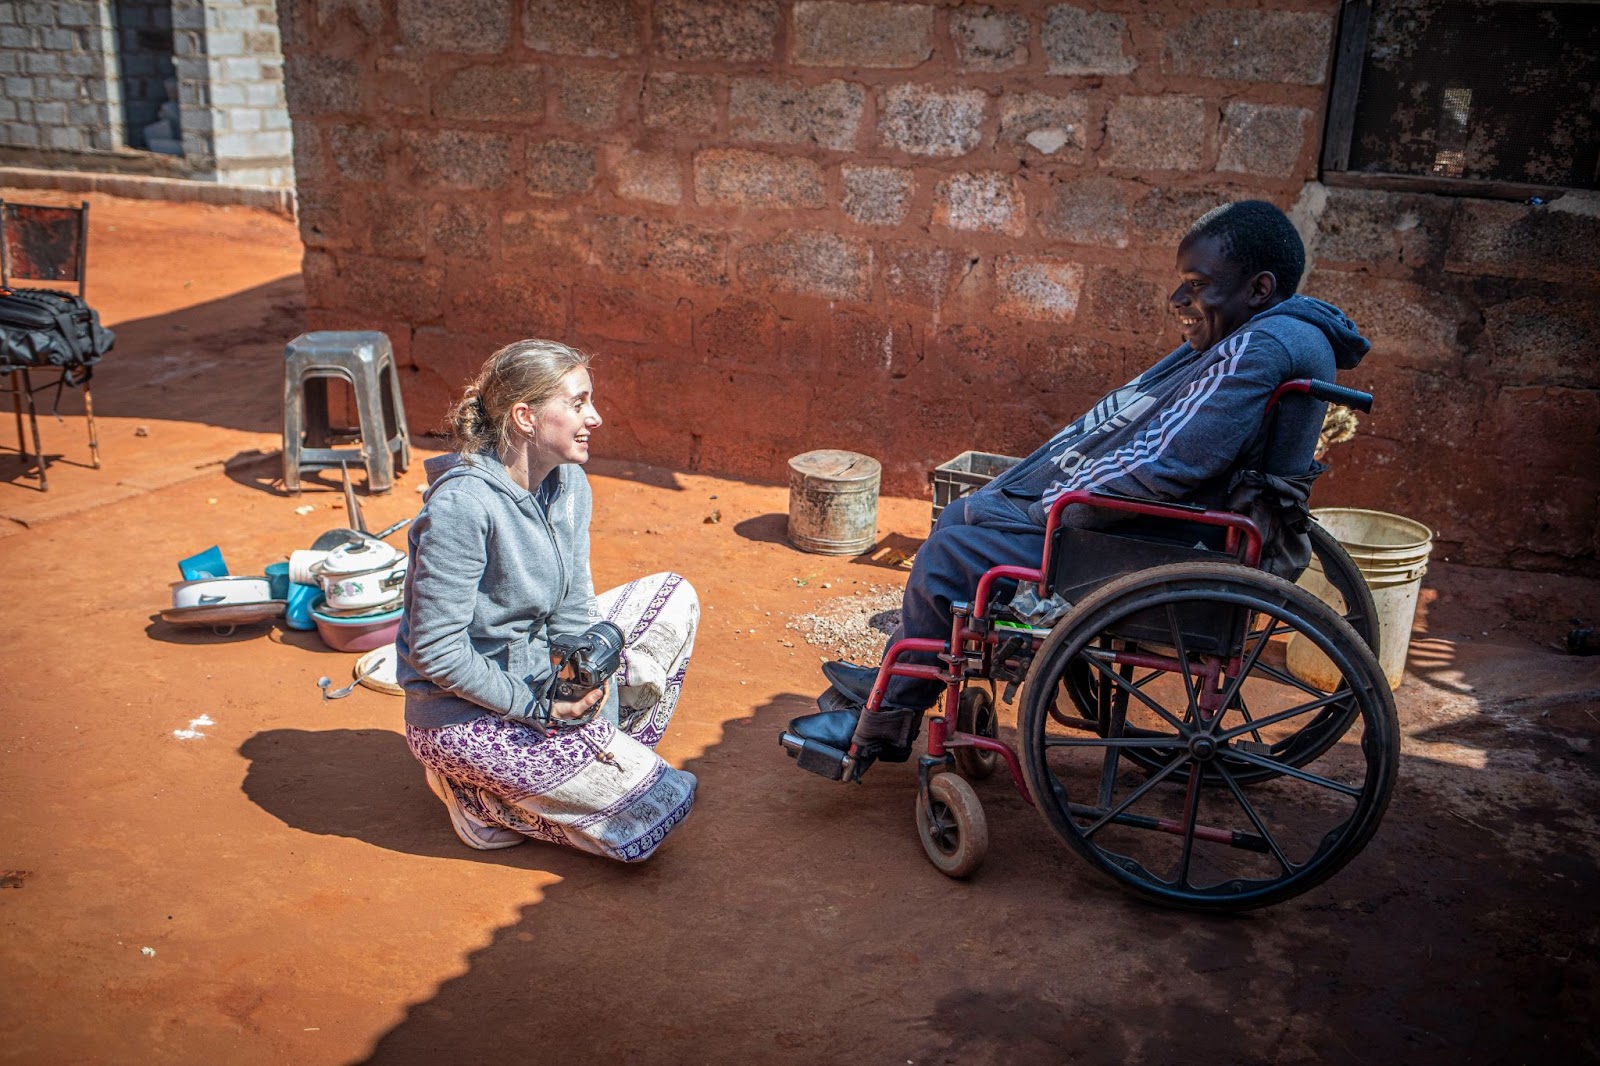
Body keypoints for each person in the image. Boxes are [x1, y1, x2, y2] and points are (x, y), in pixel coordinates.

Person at [786, 200, 1371, 774]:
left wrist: (1060, 507)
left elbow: (1169, 468)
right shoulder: (1288, 334)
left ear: (1259, 287)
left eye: (1196, 284)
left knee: (951, 550)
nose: (1179, 300)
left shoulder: (1262, 346)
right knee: (968, 512)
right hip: (1195, 527)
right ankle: (908, 668)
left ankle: (888, 717)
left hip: (1170, 544)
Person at [397, 339, 700, 861]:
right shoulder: (463, 507)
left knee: (674, 595)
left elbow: (575, 608)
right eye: (579, 403)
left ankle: (588, 764)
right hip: (464, 713)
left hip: (541, 682)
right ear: (525, 417)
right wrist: (537, 707)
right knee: (661, 804)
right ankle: (474, 796)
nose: (596, 417)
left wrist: (589, 688)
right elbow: (436, 652)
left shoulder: (570, 484)